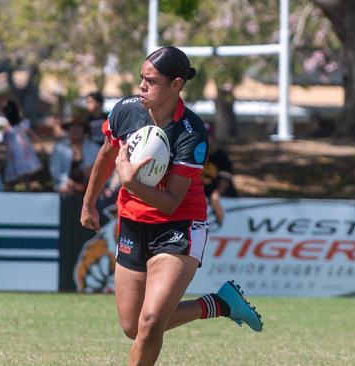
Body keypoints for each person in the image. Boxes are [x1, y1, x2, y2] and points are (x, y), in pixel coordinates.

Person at [80, 46, 263, 365]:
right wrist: (89, 203)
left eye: (150, 81)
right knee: (132, 327)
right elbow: (108, 153)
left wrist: (130, 182)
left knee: (150, 325)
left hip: (178, 227)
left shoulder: (191, 133)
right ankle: (219, 304)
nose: (141, 86)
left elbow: (170, 202)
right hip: (133, 225)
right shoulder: (125, 110)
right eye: (141, 78)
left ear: (176, 85)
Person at [49, 118, 100, 195]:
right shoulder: (59, 147)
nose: (75, 130)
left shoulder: (94, 148)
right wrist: (72, 184)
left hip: (90, 186)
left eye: (79, 127)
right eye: (72, 127)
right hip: (66, 186)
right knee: (65, 189)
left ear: (84, 130)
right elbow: (56, 172)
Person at [201, 123, 238, 226]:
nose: (205, 139)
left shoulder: (221, 156)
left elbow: (225, 179)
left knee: (215, 199)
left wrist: (216, 194)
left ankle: (221, 224)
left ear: (213, 137)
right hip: (200, 197)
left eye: (207, 136)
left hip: (221, 197)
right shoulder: (194, 154)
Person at [0, 100, 43, 185]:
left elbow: (30, 133)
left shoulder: (21, 124)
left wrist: (40, 143)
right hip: (17, 151)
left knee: (24, 171)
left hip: (22, 150)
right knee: (22, 170)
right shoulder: (7, 128)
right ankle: (25, 186)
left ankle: (27, 185)